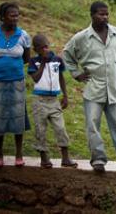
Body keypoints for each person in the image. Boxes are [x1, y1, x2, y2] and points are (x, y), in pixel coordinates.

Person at [63, 1, 116, 173]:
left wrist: (112, 71)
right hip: (93, 89)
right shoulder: (81, 37)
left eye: (107, 14)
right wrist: (76, 73)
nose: (105, 17)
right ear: (92, 15)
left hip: (115, 89)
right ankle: (98, 159)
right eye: (101, 14)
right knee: (93, 125)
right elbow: (67, 55)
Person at [28, 34, 78, 169]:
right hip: (40, 101)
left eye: (46, 46)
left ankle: (66, 158)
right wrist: (43, 63)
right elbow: (36, 79)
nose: (45, 49)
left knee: (60, 128)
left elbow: (60, 77)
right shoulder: (34, 62)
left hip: (54, 100)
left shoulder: (57, 60)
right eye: (41, 48)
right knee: (40, 129)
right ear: (36, 49)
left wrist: (65, 95)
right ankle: (44, 158)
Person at [0, 2, 31, 168]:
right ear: (2, 17)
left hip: (17, 81)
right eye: (12, 15)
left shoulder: (23, 35)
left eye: (17, 15)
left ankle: (18, 154)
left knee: (18, 117)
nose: (15, 18)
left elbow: (26, 58)